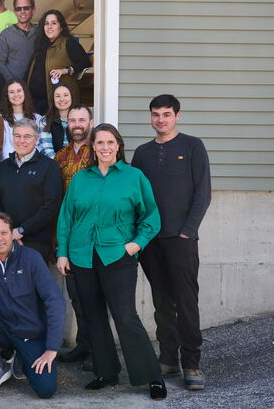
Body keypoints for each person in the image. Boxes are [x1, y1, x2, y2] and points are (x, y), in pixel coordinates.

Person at [56, 123, 167, 400]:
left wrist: (135, 244)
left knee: (125, 316)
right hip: (82, 256)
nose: (105, 147)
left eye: (110, 142)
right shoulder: (82, 178)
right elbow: (66, 216)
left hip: (117, 255)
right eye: (100, 143)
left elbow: (151, 217)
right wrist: (63, 252)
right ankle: (105, 372)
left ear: (118, 146)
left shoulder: (134, 177)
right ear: (93, 147)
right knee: (92, 316)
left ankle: (151, 376)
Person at [132, 94, 212, 391]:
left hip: (181, 239)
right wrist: (139, 235)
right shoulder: (142, 153)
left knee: (186, 301)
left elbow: (203, 192)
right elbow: (136, 196)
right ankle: (168, 358)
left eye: (166, 114)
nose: (160, 120)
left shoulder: (192, 146)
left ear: (177, 116)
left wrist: (188, 231)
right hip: (151, 241)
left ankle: (192, 363)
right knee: (161, 300)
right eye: (155, 114)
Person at [0, 213, 65, 397]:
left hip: (30, 332)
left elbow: (54, 300)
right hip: (3, 327)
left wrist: (51, 348)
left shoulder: (31, 258)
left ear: (12, 234)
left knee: (46, 389)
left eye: (4, 233)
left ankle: (20, 357)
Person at [52, 103, 95, 368]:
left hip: (94, 235)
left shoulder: (99, 152)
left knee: (94, 297)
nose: (77, 124)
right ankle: (84, 345)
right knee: (76, 294)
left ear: (90, 122)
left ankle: (97, 349)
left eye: (82, 119)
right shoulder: (60, 156)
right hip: (69, 235)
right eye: (72, 120)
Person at [0, 118, 63, 257]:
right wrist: (8, 232)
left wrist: (21, 230)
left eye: (27, 136)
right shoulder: (4, 167)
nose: (22, 141)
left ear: (36, 139)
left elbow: (52, 205)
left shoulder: (49, 167)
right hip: (6, 240)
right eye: (17, 136)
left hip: (37, 241)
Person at [26, 9, 91, 115]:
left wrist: (66, 70)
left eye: (54, 23)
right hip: (35, 104)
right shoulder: (40, 46)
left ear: (61, 27)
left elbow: (85, 62)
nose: (49, 27)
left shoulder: (68, 44)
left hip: (56, 104)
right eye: (46, 23)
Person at [0, 79, 45, 161]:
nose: (16, 95)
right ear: (7, 96)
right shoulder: (1, 119)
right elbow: (5, 147)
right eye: (11, 92)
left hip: (34, 164)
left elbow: (40, 145)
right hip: (10, 164)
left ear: (25, 93)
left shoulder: (38, 119)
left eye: (19, 91)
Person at [0, 0, 38, 81]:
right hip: (13, 89)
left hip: (35, 87)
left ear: (33, 10)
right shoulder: (5, 35)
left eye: (26, 8)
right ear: (14, 11)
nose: (22, 11)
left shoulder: (40, 33)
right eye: (18, 9)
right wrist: (12, 82)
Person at [40, 84, 74, 158]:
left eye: (66, 95)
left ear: (72, 97)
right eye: (58, 96)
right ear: (53, 99)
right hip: (54, 165)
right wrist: (60, 164)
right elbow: (47, 150)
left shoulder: (78, 119)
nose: (62, 99)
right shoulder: (45, 121)